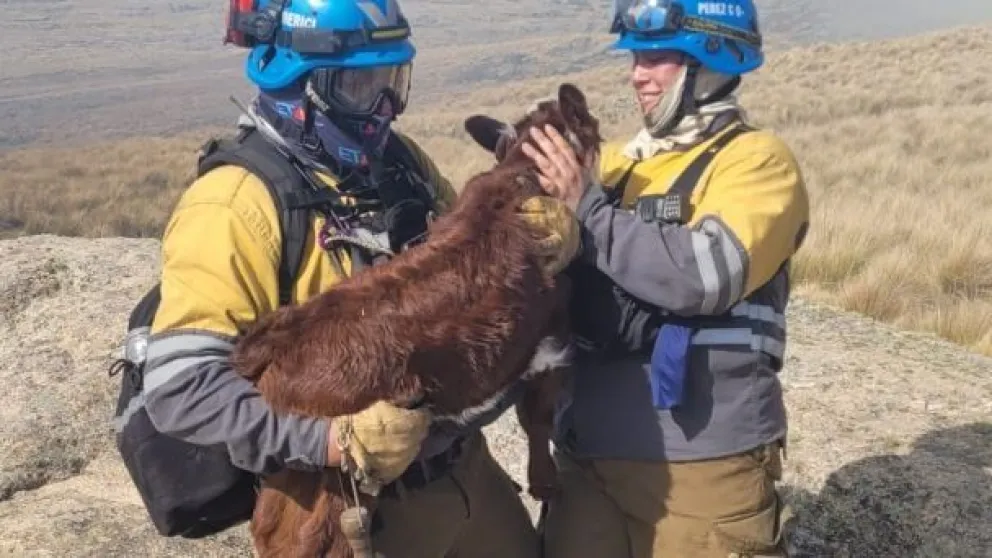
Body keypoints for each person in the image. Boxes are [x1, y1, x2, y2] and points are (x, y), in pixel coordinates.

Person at [136, 0, 578, 555]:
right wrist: (332, 443)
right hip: (352, 507)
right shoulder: (233, 205)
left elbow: (463, 281)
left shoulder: (401, 165)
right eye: (360, 85)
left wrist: (532, 241)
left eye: (393, 81)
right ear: (297, 86)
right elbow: (182, 390)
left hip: (466, 474)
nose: (384, 108)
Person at [520, 0, 811, 556]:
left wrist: (589, 211)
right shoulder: (617, 165)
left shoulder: (757, 162)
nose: (638, 74)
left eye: (659, 58)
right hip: (585, 464)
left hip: (701, 475)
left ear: (715, 61)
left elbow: (704, 276)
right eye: (635, 58)